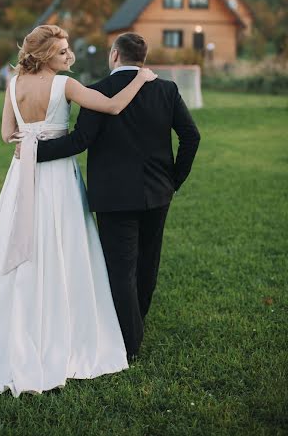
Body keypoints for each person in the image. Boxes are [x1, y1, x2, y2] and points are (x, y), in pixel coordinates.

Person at [0, 25, 156, 396]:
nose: (68, 55)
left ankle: (10, 325)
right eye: (62, 51)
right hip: (56, 176)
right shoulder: (65, 86)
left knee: (16, 243)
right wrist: (142, 78)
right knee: (60, 243)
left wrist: (28, 137)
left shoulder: (12, 84)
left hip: (22, 175)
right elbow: (114, 105)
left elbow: (7, 135)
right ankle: (61, 327)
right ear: (46, 55)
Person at [36, 32, 201, 361]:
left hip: (113, 196)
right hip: (158, 193)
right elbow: (191, 137)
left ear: (114, 55)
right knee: (147, 263)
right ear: (143, 57)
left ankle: (129, 341)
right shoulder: (165, 89)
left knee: (120, 268)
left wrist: (34, 150)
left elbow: (79, 140)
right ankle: (134, 327)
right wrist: (173, 181)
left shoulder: (97, 90)